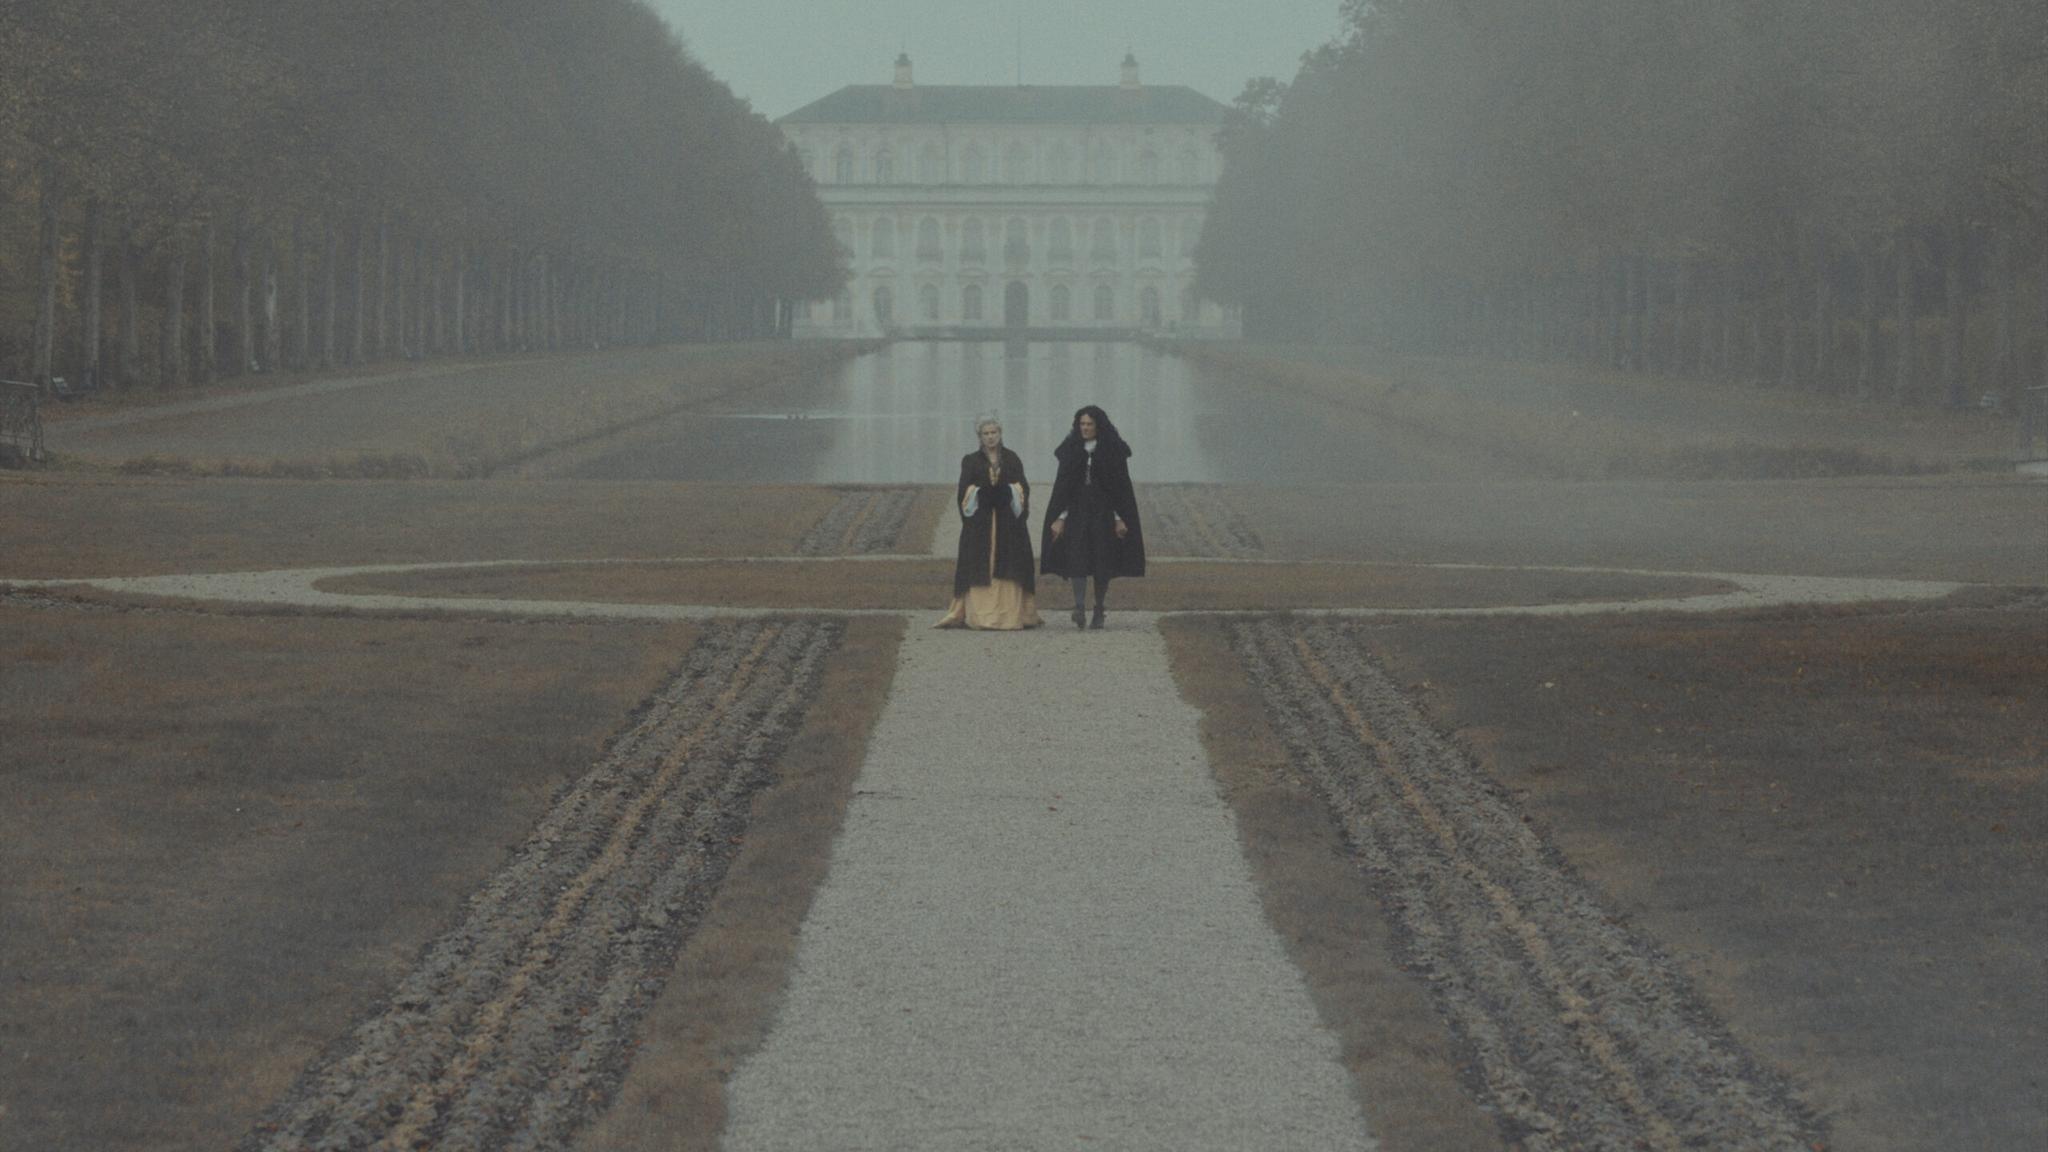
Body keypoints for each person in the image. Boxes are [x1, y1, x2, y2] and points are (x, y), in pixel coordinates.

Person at [1040, 405, 1145, 629]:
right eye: (1082, 424)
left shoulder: (1112, 451)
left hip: (1103, 513)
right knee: (1076, 557)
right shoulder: (1071, 450)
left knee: (1101, 560)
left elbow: (1119, 490)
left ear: (1098, 426)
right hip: (1077, 512)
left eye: (1089, 424)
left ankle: (1099, 608)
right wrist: (1060, 517)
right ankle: (1079, 607)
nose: (1085, 428)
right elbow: (1064, 489)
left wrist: (1119, 518)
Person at [936, 418, 1042, 630]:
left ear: (1000, 434)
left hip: (1007, 523)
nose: (991, 437)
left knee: (1009, 563)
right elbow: (964, 491)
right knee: (980, 562)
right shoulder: (971, 461)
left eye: (994, 432)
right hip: (980, 523)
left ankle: (1009, 616)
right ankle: (981, 617)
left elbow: (1022, 487)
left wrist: (1009, 492)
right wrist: (979, 493)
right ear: (980, 437)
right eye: (986, 433)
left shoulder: (1011, 458)